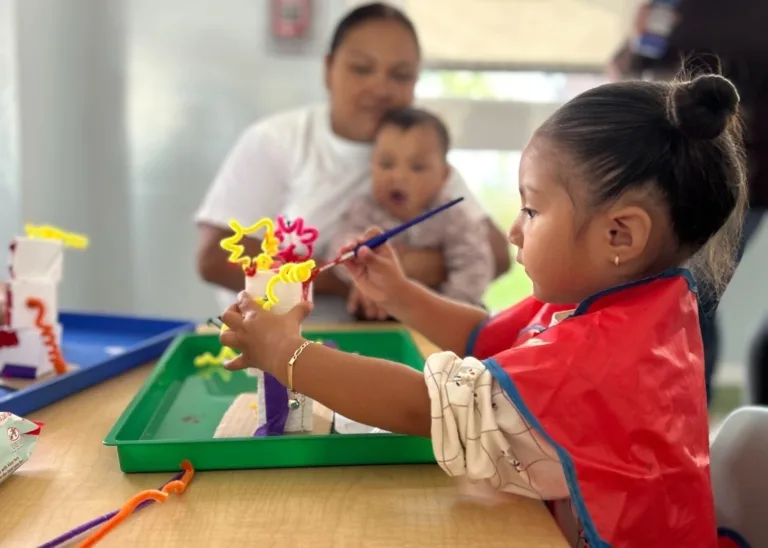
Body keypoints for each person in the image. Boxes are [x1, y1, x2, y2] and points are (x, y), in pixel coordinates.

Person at [219, 73, 747, 546]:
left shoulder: (604, 355)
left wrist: (286, 353)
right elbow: (488, 338)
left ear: (620, 234)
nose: (514, 230)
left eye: (531, 209)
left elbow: (424, 407)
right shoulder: (629, 306)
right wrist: (399, 293)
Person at [194, 2, 510, 320]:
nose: (380, 88)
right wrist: (362, 280)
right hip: (279, 339)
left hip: (391, 342)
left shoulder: (418, 152)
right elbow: (216, 259)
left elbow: (497, 254)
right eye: (361, 69)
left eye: (400, 75)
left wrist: (426, 267)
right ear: (328, 69)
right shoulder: (276, 141)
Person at [608, 1, 767, 404]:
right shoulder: (671, 6)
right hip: (676, 170)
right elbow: (628, 74)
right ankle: (669, 411)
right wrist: (637, 39)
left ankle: (685, 414)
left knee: (692, 295)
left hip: (744, 178)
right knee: (679, 294)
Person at [328, 107, 493, 319]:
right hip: (378, 318)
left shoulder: (455, 218)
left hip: (439, 320)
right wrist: (361, 265)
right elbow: (340, 252)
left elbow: (473, 267)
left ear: (444, 176)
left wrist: (447, 311)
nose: (398, 176)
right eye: (386, 164)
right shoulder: (363, 210)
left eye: (417, 167)